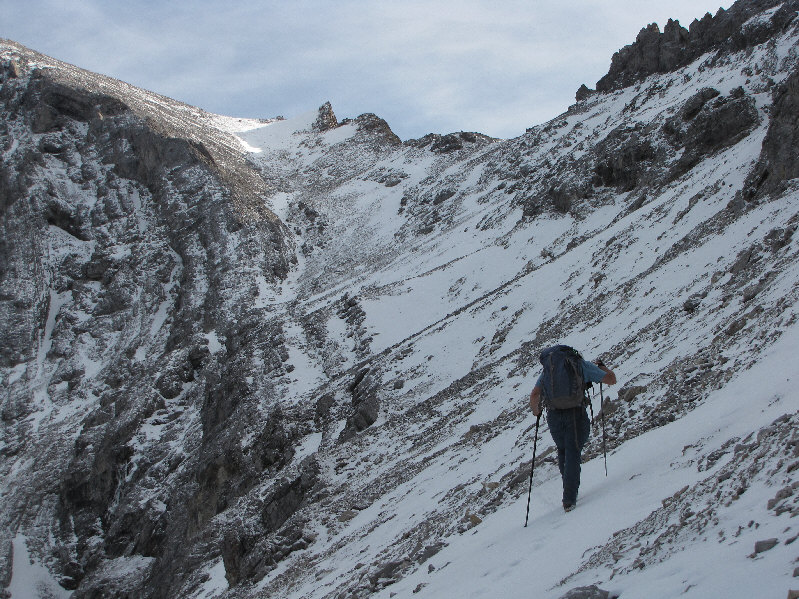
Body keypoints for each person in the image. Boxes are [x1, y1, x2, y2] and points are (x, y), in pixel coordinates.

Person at [529, 346, 616, 512]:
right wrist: (602, 367)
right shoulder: (580, 365)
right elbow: (611, 379)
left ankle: (568, 490)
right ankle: (569, 499)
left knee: (563, 450)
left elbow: (535, 394)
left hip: (554, 416)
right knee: (573, 451)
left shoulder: (549, 370)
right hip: (575, 413)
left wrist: (536, 411)